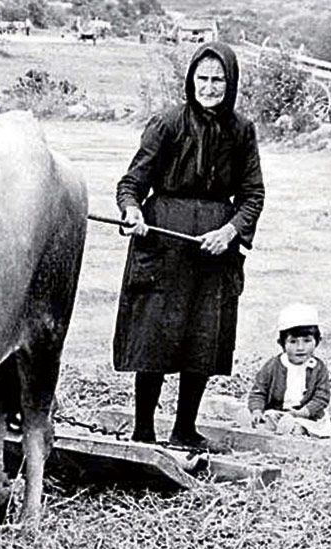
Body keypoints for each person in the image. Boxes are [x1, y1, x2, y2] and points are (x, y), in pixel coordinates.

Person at [114, 42, 265, 450]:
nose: (210, 87)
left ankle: (184, 429)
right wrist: (133, 213)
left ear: (230, 84)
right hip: (164, 245)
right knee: (156, 337)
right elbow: (131, 185)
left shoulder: (241, 130)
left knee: (201, 337)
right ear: (190, 80)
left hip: (214, 253)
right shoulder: (166, 124)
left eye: (219, 80)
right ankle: (143, 430)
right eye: (203, 78)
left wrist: (229, 232)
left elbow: (253, 195)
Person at [240, 304, 331, 437]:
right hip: (278, 412)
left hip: (307, 417)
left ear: (317, 341)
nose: (300, 348)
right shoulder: (273, 365)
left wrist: (304, 412)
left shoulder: (318, 368)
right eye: (293, 342)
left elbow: (321, 397)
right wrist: (256, 410)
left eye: (307, 341)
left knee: (304, 427)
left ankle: (294, 429)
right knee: (269, 417)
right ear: (282, 343)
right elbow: (259, 392)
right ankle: (265, 425)